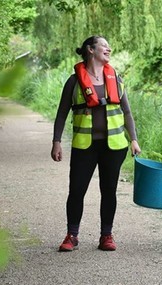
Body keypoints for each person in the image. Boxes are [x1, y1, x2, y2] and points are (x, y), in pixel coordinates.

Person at [51, 36, 142, 252]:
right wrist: (56, 142)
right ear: (91, 50)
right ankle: (72, 235)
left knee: (109, 190)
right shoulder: (74, 82)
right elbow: (62, 113)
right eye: (104, 45)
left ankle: (106, 236)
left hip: (114, 146)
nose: (109, 48)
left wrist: (134, 140)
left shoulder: (116, 79)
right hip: (85, 146)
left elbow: (127, 112)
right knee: (77, 190)